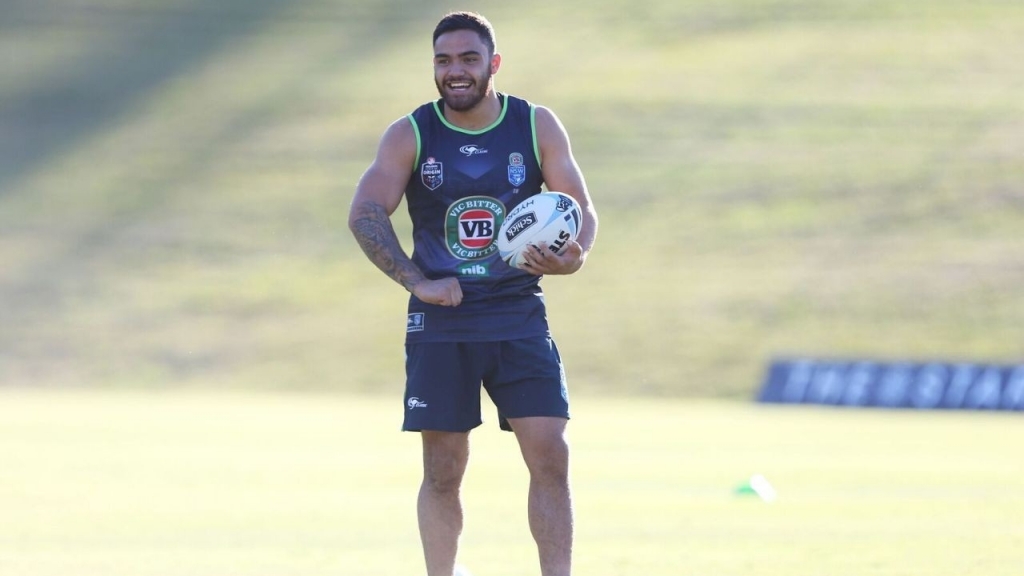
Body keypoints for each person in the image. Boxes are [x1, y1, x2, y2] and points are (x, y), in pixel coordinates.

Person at [347, 11, 598, 576]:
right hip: (443, 321)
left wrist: (574, 255)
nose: (454, 71)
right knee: (442, 468)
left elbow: (580, 206)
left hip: (518, 313)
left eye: (467, 59)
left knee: (551, 456)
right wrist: (418, 282)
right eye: (443, 60)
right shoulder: (411, 132)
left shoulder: (535, 124)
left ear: (493, 64)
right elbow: (364, 212)